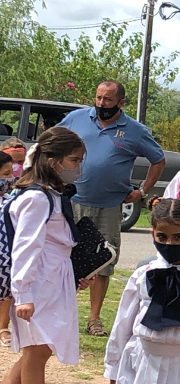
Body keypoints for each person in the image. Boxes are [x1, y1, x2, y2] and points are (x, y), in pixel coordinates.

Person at [58, 80, 167, 337]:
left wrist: (142, 191)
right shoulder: (76, 119)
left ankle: (94, 319)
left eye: (107, 100)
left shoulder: (135, 131)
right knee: (63, 258)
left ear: (121, 103)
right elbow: (51, 143)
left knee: (102, 261)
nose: (100, 104)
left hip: (108, 206)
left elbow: (158, 160)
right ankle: (62, 314)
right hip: (72, 201)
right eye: (98, 97)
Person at [103, 197, 180, 384]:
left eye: (178, 237)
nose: (169, 244)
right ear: (153, 234)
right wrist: (113, 369)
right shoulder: (142, 275)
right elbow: (122, 325)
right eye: (162, 236)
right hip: (140, 361)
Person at [2, 127, 92, 384]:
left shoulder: (50, 193)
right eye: (74, 160)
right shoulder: (37, 197)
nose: (77, 167)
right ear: (53, 161)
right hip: (40, 279)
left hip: (54, 275)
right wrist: (24, 294)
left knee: (42, 348)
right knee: (37, 350)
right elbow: (26, 247)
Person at [0, 151, 16, 348]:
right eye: (5, 174)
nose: (9, 178)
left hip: (5, 255)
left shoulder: (10, 201)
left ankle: (3, 326)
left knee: (6, 289)